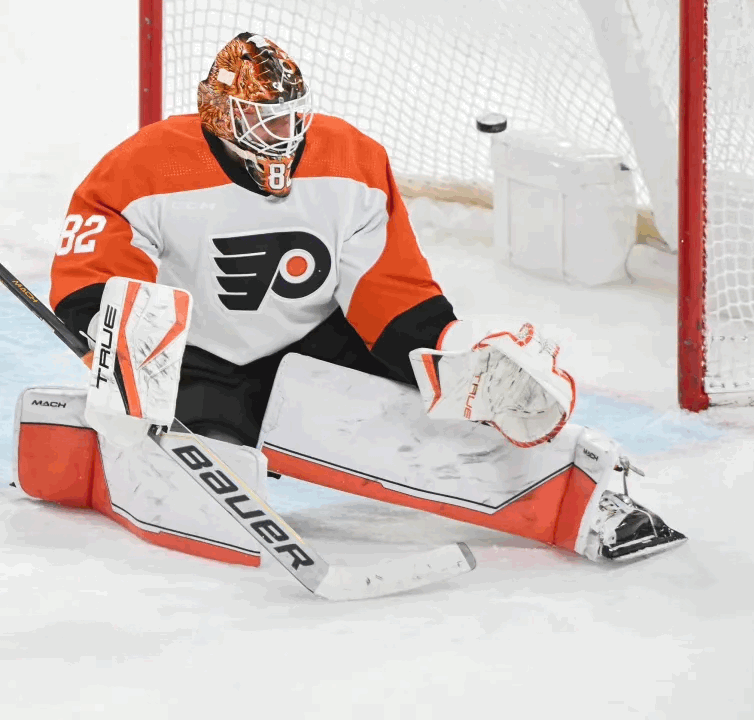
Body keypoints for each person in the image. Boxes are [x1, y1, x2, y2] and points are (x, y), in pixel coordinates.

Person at [19, 32, 684, 570]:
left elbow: (387, 290)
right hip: (198, 358)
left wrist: (447, 355)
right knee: (204, 488)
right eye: (263, 120)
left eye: (290, 118)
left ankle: (576, 498)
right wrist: (120, 343)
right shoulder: (141, 166)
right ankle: (105, 457)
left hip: (312, 342)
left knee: (434, 411)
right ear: (221, 116)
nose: (282, 134)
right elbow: (92, 274)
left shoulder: (351, 158)